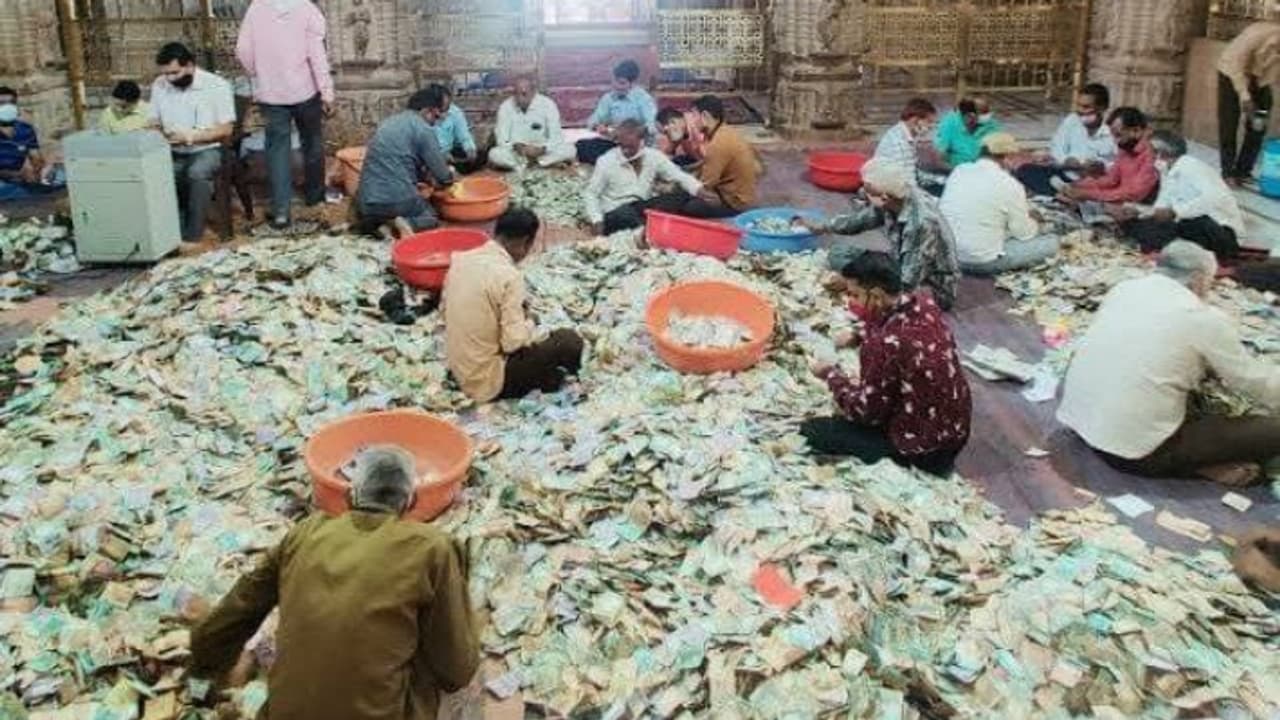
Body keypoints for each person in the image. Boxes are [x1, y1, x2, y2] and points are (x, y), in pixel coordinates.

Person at [190, 445, 480, 720]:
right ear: (411, 501)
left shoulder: (304, 534)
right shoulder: (432, 547)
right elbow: (457, 670)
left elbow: (240, 606)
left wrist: (204, 660)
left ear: (351, 496)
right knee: (427, 644)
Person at [1057, 241, 1280, 486]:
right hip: (1133, 452)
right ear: (1197, 279)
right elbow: (1251, 380)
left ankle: (1203, 464)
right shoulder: (1203, 318)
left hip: (1078, 423)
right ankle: (1195, 466)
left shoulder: (1124, 289)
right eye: (1211, 281)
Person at [803, 251, 971, 476]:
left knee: (812, 431)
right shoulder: (924, 303)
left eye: (855, 294)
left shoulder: (885, 345)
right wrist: (858, 333)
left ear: (877, 295)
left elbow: (865, 413)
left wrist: (830, 375)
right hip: (954, 433)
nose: (851, 301)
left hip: (923, 450)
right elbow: (891, 320)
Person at [444, 208, 585, 402]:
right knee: (568, 340)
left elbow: (447, 311)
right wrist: (530, 323)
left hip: (460, 368)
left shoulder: (461, 261)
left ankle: (547, 379)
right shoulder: (509, 276)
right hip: (487, 382)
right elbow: (512, 343)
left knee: (549, 370)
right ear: (525, 242)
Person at [237, 0, 335, 229]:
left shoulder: (256, 8)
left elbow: (243, 50)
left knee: (277, 151)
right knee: (312, 143)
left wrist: (259, 72)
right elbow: (317, 55)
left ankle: (281, 210)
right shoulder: (307, 9)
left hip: (271, 94)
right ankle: (315, 200)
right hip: (305, 90)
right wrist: (327, 91)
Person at [813, 158, 960, 311]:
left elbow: (908, 281)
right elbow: (860, 221)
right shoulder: (895, 197)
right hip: (900, 262)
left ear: (884, 197)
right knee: (839, 253)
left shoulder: (921, 224)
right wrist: (823, 226)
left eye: (867, 189)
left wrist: (853, 283)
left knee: (876, 300)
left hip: (927, 286)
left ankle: (865, 294)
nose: (862, 192)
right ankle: (863, 288)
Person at [149, 42, 236, 243]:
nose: (169, 79)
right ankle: (169, 234)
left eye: (174, 73)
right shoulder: (160, 84)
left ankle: (192, 235)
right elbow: (153, 121)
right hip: (172, 148)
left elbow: (226, 129)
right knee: (156, 172)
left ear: (189, 65)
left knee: (196, 172)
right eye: (166, 74)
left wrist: (190, 137)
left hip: (208, 148)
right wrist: (159, 134)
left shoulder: (216, 85)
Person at [1108, 130, 1245, 257]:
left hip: (1221, 232)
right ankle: (1176, 247)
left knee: (1194, 222)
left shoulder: (1190, 166)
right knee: (1137, 224)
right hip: (1187, 227)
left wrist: (1176, 212)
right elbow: (1161, 208)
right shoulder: (1166, 171)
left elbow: (1212, 198)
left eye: (1150, 152)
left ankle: (1180, 248)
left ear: (1161, 153)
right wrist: (1138, 212)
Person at [941, 132, 1059, 275]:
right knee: (1052, 242)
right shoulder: (1009, 184)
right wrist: (1035, 222)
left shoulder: (959, 170)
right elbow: (1025, 234)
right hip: (981, 262)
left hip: (947, 256)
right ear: (1007, 157)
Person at [583, 119, 720, 235]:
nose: (625, 151)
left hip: (640, 208)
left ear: (641, 141)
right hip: (615, 212)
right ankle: (652, 229)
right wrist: (597, 220)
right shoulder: (606, 161)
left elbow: (679, 175)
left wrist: (700, 190)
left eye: (630, 147)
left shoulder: (653, 157)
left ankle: (652, 226)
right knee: (626, 214)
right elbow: (591, 193)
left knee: (682, 196)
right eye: (622, 146)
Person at [354, 88, 455, 236]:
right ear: (428, 111)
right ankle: (405, 224)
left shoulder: (389, 122)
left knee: (381, 209)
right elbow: (443, 177)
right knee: (431, 217)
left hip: (367, 200)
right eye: (439, 114)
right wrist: (451, 174)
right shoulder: (423, 129)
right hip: (397, 201)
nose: (439, 120)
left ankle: (381, 226)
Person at [1015, 83, 1116, 196]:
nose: (1080, 111)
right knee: (1025, 170)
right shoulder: (1072, 120)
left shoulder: (1113, 131)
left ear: (1102, 108)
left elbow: (1119, 163)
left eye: (1086, 107)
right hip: (1066, 174)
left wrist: (1102, 167)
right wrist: (1066, 161)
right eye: (1078, 105)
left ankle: (1067, 195)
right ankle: (1066, 194)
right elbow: (1056, 147)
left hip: (1095, 181)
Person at [1217, 21, 1280, 187]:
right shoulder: (1257, 36)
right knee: (1229, 121)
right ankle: (1227, 171)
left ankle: (1243, 170)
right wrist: (1245, 97)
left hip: (1259, 79)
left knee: (1260, 122)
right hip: (1231, 72)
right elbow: (1235, 64)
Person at [1059, 106, 1158, 206]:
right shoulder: (1125, 150)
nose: (1115, 141)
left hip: (1132, 209)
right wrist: (1077, 185)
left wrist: (1088, 194)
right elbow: (1110, 180)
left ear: (1136, 131)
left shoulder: (1151, 157)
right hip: (1113, 201)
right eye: (1113, 136)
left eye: (1118, 135)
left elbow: (1133, 194)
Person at [575, 60, 658, 165]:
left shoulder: (644, 99)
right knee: (581, 145)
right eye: (614, 81)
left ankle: (624, 161)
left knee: (629, 155)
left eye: (622, 83)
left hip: (637, 146)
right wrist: (598, 126)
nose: (617, 86)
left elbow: (651, 126)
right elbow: (593, 120)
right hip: (616, 143)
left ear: (632, 83)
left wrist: (629, 134)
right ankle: (619, 162)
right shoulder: (609, 98)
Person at [691, 94, 759, 217]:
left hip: (735, 202)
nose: (692, 121)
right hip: (737, 191)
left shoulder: (718, 143)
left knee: (689, 206)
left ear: (705, 116)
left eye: (694, 115)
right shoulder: (724, 130)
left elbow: (706, 184)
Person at [489, 76, 575, 170]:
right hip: (517, 154)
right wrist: (516, 146)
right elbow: (502, 138)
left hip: (542, 152)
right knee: (494, 154)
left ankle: (539, 163)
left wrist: (543, 149)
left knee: (570, 150)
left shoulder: (548, 105)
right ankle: (520, 166)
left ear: (534, 92)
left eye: (524, 94)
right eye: (516, 94)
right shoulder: (505, 107)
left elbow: (556, 136)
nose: (520, 98)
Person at [872, 97, 937, 183]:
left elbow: (913, 173)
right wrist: (930, 197)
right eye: (929, 122)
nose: (931, 126)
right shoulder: (899, 141)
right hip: (892, 188)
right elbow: (907, 183)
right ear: (915, 120)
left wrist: (942, 180)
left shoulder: (905, 135)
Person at [0, 87, 48, 201]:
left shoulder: (25, 129)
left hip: (18, 182)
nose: (7, 107)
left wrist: (36, 168)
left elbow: (35, 157)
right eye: (1, 103)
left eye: (11, 103)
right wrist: (15, 175)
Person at [426, 84, 482, 174]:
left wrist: (470, 149)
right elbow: (425, 147)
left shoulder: (454, 111)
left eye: (447, 107)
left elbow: (464, 135)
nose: (444, 114)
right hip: (432, 157)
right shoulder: (423, 118)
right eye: (441, 109)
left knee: (480, 156)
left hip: (450, 153)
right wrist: (441, 154)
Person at [933, 96, 1000, 169]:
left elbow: (1000, 150)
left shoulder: (991, 125)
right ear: (969, 115)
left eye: (987, 112)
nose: (987, 116)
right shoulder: (950, 123)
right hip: (955, 168)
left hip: (983, 168)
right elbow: (940, 151)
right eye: (983, 113)